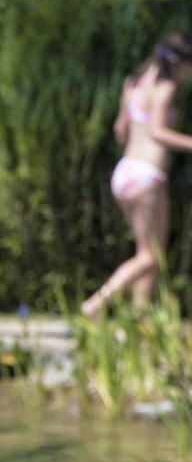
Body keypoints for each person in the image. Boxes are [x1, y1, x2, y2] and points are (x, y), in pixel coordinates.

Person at [83, 32, 192, 317]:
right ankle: (95, 305)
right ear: (179, 63)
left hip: (125, 173)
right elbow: (157, 132)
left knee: (149, 255)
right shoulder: (165, 87)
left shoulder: (133, 85)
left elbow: (121, 131)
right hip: (147, 176)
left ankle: (140, 317)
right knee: (150, 256)